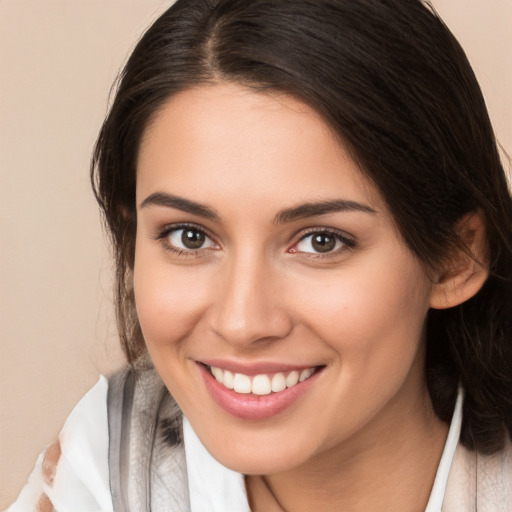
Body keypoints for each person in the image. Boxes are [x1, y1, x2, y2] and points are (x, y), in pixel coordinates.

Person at [9, 0, 512, 510]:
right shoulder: (99, 468)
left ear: (454, 258)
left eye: (321, 241)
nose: (242, 322)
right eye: (189, 236)